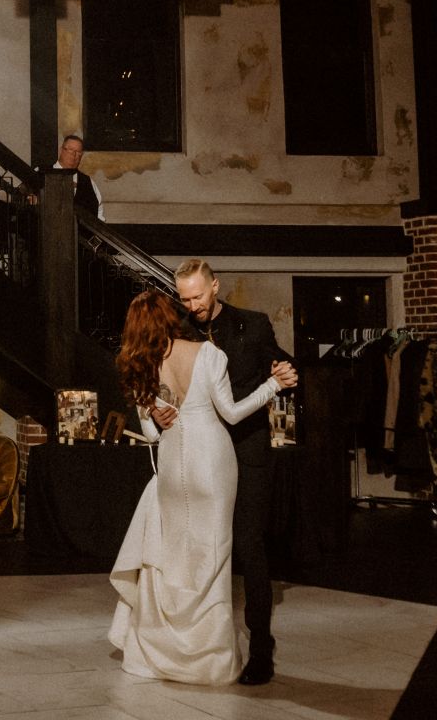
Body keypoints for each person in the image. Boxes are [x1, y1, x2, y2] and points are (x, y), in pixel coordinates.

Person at [109, 291, 297, 685]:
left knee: (175, 554)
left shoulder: (143, 365)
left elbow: (151, 433)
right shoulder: (207, 353)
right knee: (214, 554)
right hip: (212, 460)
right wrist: (271, 386)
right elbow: (230, 412)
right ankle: (207, 657)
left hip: (173, 461)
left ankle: (167, 650)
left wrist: (158, 418)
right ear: (168, 317)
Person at [162, 260, 297, 685]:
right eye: (184, 298)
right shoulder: (177, 328)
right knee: (197, 545)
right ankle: (197, 642)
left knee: (248, 544)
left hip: (246, 450)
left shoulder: (253, 325)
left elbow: (284, 368)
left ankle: (261, 648)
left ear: (215, 286)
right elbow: (162, 380)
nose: (192, 305)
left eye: (198, 296)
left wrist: (286, 375)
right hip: (199, 453)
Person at [43, 132, 103, 218]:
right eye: (70, 150)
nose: (74, 155)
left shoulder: (87, 181)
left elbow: (99, 212)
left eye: (78, 152)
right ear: (61, 150)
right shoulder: (42, 172)